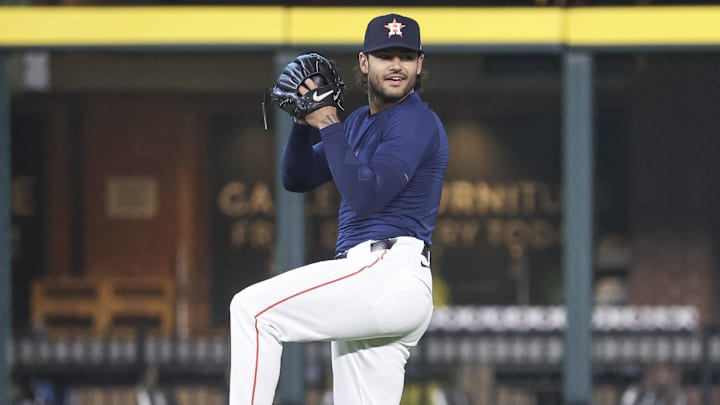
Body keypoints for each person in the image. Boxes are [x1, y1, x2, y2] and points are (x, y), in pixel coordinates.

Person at [229, 13, 449, 405]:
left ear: (420, 64)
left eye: (405, 55)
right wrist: (302, 121)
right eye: (385, 55)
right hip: (376, 285)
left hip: (387, 272)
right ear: (365, 63)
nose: (395, 65)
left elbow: (367, 197)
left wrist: (327, 119)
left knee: (252, 311)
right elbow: (297, 178)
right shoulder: (360, 122)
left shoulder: (417, 121)